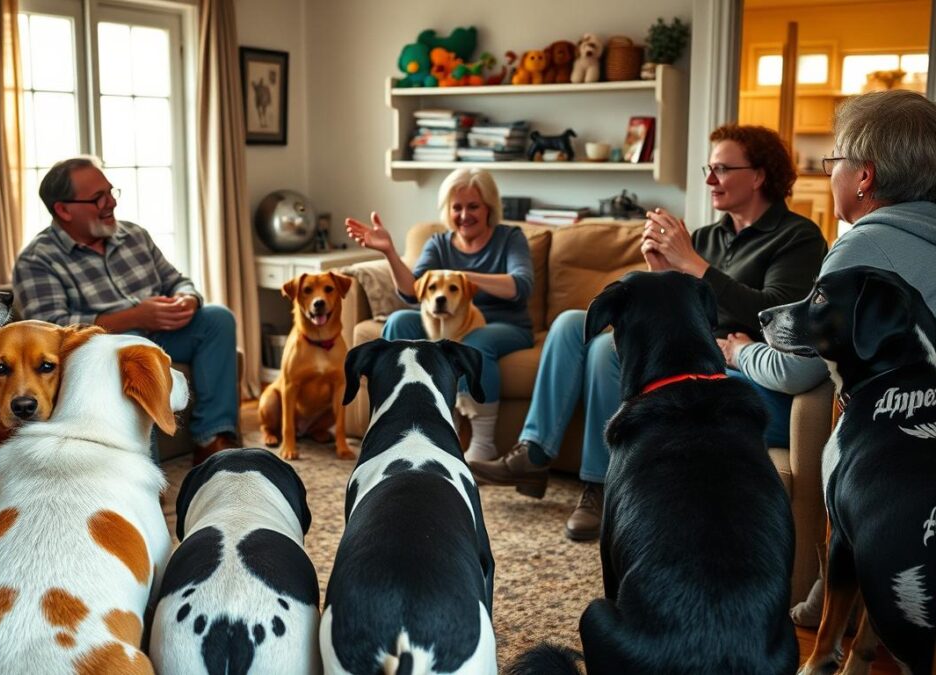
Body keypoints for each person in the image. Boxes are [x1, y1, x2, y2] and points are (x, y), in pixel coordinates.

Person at [470, 124, 828, 541]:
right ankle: (532, 453)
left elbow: (770, 312)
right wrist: (661, 271)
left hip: (726, 364)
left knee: (607, 349)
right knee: (570, 323)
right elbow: (683, 306)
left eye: (722, 169)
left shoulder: (797, 237)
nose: (710, 180)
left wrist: (692, 264)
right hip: (685, 347)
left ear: (760, 175)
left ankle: (602, 486)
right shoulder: (708, 237)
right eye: (708, 169)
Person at [722, 90, 936, 627]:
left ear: (864, 176)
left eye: (833, 161)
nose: (831, 174)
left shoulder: (860, 247)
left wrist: (741, 351)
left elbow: (797, 368)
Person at [12, 156, 240, 466]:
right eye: (97, 198)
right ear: (63, 210)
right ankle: (142, 466)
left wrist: (187, 298)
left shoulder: (134, 235)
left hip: (162, 332)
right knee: (130, 343)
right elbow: (51, 330)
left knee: (217, 319)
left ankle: (212, 439)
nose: (110, 204)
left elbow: (177, 281)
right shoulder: (37, 260)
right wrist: (133, 318)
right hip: (103, 348)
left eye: (111, 192)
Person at [345, 168, 534, 461]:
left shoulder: (510, 238)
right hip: (445, 323)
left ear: (489, 208)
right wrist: (389, 252)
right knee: (399, 321)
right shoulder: (439, 243)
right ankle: (394, 417)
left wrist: (464, 278)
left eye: (473, 206)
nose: (464, 215)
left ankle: (482, 444)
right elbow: (412, 292)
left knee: (475, 342)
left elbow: (520, 286)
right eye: (456, 207)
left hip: (503, 325)